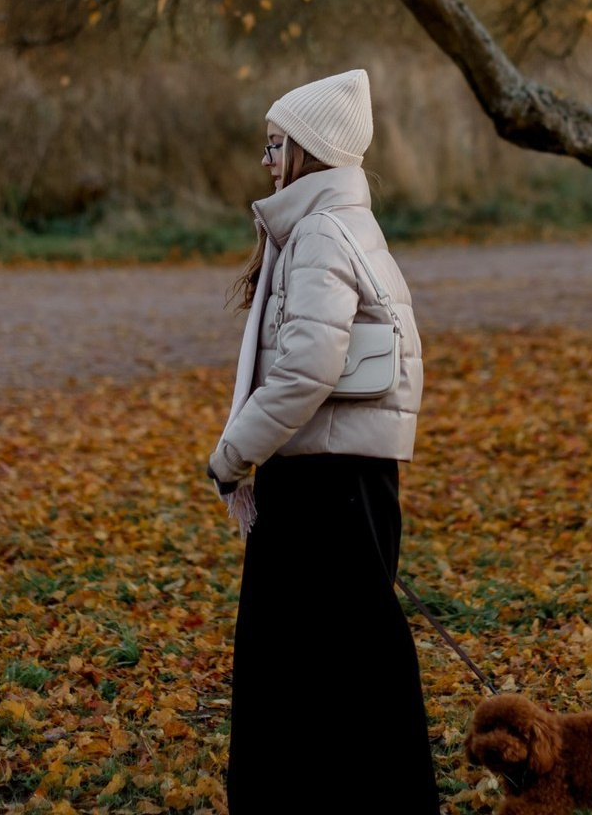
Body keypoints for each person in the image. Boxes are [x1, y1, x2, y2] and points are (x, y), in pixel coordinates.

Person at [208, 68, 439, 815]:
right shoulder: (337, 225)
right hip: (346, 475)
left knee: (301, 665)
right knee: (348, 661)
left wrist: (232, 453)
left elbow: (307, 367)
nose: (267, 162)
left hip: (323, 481)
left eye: (275, 147)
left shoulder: (317, 235)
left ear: (307, 153)